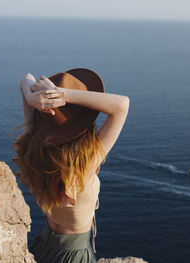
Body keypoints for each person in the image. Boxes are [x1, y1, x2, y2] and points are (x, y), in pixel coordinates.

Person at [13, 68, 129, 263]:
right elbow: (122, 105)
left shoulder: (33, 148)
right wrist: (64, 95)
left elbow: (26, 78)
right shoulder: (85, 165)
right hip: (74, 256)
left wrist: (32, 98)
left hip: (43, 246)